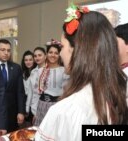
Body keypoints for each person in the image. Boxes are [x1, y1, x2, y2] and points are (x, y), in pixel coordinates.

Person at [35, 4, 128, 141]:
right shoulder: (121, 92)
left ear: (77, 51)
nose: (60, 53)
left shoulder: (66, 112)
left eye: (63, 46)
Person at [34, 39, 68, 126]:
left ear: (59, 55)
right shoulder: (40, 71)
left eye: (56, 53)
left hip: (56, 106)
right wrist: (35, 112)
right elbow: (36, 92)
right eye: (50, 52)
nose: (53, 55)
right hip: (41, 105)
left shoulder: (64, 71)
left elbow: (67, 93)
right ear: (46, 54)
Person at [0, 39, 26, 132]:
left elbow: (20, 92)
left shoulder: (16, 68)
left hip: (11, 112)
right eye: (3, 50)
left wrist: (21, 111)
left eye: (8, 50)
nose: (6, 53)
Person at [25, 47, 47, 125]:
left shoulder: (49, 71)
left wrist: (38, 113)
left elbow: (44, 95)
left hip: (44, 110)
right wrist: (27, 108)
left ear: (45, 56)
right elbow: (30, 92)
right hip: (33, 110)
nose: (37, 58)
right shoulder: (33, 72)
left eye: (39, 55)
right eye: (35, 56)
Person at [21, 50, 37, 127]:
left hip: (34, 101)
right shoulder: (23, 73)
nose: (28, 62)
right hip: (25, 100)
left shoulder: (37, 72)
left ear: (34, 60)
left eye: (30, 60)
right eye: (26, 60)